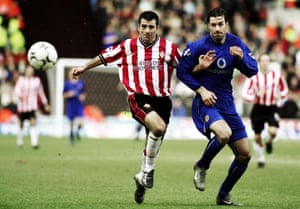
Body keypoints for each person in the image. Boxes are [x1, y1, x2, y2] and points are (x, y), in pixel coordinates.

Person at [71, 10, 181, 204]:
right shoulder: (128, 46)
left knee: (152, 140)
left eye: (151, 27)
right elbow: (104, 57)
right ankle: (148, 171)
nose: (147, 30)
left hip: (164, 101)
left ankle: (141, 178)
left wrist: (201, 69)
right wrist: (83, 68)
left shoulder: (169, 48)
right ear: (138, 27)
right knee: (158, 127)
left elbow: (186, 69)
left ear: (157, 28)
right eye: (144, 27)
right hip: (138, 98)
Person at [176, 8, 258, 206]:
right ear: (208, 26)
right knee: (223, 134)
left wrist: (241, 59)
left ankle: (223, 195)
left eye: (220, 24)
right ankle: (202, 166)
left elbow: (252, 70)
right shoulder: (197, 46)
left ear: (226, 24)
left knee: (244, 155)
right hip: (206, 103)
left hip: (227, 105)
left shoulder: (235, 43)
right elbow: (182, 72)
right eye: (213, 24)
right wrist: (201, 88)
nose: (217, 28)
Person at [242, 54, 288, 168]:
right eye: (263, 61)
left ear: (270, 62)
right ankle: (261, 159)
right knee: (257, 137)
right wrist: (255, 95)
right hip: (258, 108)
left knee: (273, 131)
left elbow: (284, 90)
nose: (265, 63)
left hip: (272, 107)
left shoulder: (276, 76)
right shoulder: (253, 77)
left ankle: (268, 140)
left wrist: (280, 95)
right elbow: (245, 93)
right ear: (259, 62)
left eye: (267, 61)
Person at [14, 65, 50, 149]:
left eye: (31, 70)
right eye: (28, 70)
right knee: (21, 124)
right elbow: (16, 90)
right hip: (22, 107)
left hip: (32, 106)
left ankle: (34, 143)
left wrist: (45, 104)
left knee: (33, 122)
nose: (30, 71)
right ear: (25, 71)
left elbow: (41, 93)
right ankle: (20, 142)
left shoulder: (37, 81)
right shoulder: (21, 80)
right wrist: (21, 96)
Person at [63, 70, 87, 145]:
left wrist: (83, 97)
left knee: (81, 123)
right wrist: (69, 94)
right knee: (71, 122)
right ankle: (71, 137)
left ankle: (77, 132)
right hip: (71, 105)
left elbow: (84, 93)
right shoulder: (67, 84)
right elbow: (63, 95)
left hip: (79, 105)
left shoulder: (81, 83)